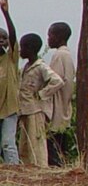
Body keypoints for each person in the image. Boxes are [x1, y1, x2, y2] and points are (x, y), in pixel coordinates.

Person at [17, 34, 64, 167]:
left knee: (37, 141)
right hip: (25, 109)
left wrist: (42, 94)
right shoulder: (26, 67)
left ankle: (41, 167)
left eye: (23, 47)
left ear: (31, 48)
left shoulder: (41, 67)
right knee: (25, 143)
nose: (21, 50)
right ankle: (28, 167)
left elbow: (57, 81)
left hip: (36, 111)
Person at [46, 22, 75, 167]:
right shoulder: (67, 55)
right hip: (65, 104)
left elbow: (55, 81)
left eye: (50, 35)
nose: (48, 39)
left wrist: (40, 94)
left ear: (58, 37)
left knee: (54, 142)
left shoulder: (59, 55)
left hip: (57, 105)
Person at [0, 0, 20, 164]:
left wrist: (6, 14)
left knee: (8, 144)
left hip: (9, 108)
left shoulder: (11, 58)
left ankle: (15, 175)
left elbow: (13, 36)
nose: (1, 41)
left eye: (3, 39)